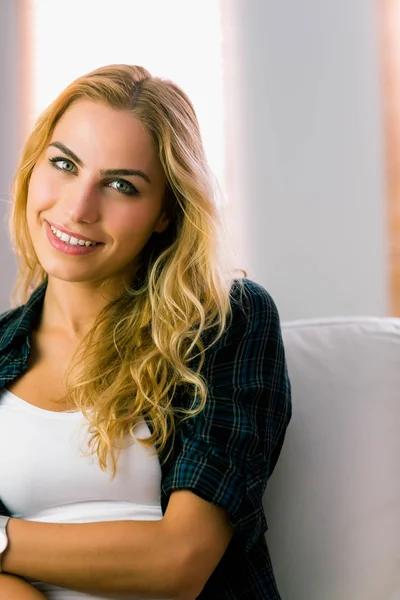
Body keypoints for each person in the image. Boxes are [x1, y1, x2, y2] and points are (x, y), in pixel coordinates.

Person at [0, 64, 292, 600]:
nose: (78, 208)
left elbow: (179, 563)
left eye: (120, 185)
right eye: (64, 164)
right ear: (33, 167)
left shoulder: (226, 322)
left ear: (165, 213)